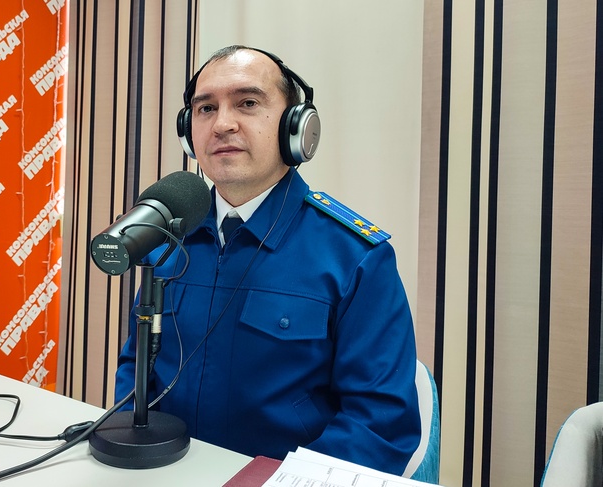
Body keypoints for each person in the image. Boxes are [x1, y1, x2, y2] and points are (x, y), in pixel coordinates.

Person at [115, 45, 421, 476]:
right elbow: (137, 366)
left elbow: (380, 425)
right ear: (189, 132)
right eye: (206, 108)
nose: (222, 124)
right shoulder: (168, 238)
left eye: (248, 103)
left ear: (296, 128)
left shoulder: (355, 257)